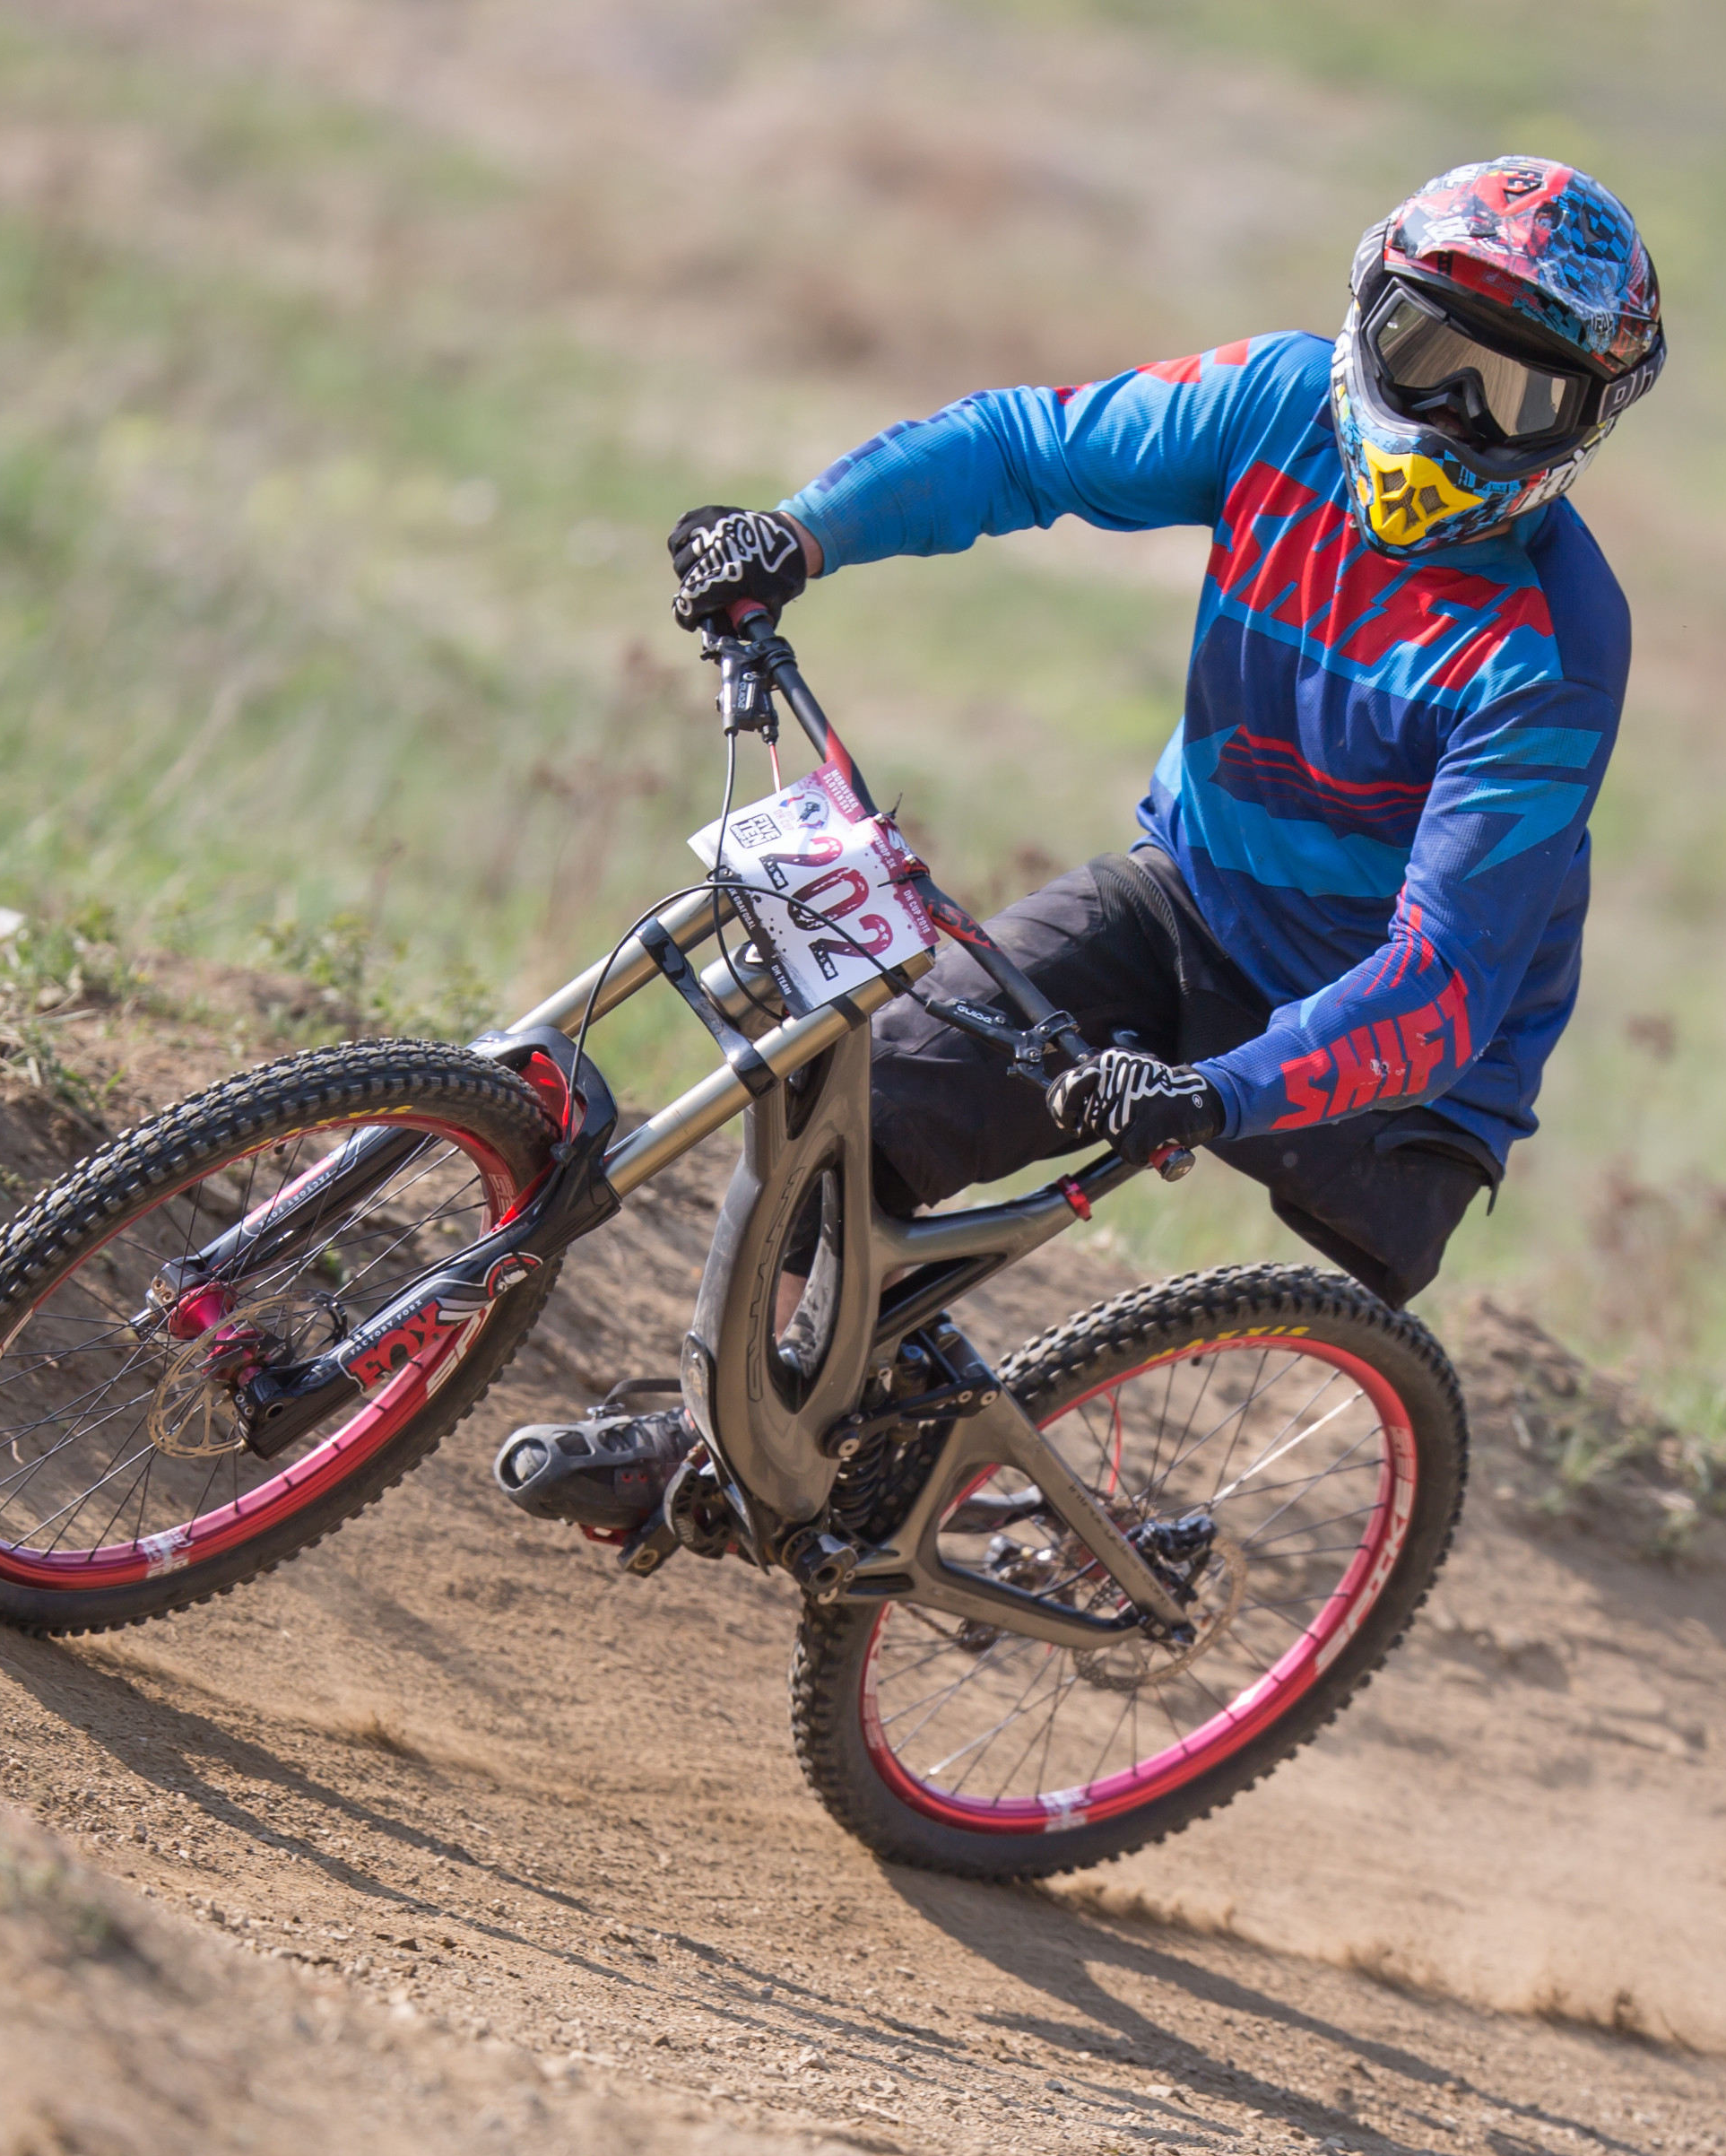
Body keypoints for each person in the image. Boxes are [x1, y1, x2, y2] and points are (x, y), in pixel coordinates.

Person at [494, 156, 1665, 1541]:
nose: (1456, 416)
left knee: (975, 1129)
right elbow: (1022, 450)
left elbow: (1443, 982)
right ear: (1366, 315)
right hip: (1190, 901)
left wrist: (1216, 1092)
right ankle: (804, 1442)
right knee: (854, 1119)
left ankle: (829, 1448)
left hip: (1399, 1073)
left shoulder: (1553, 651)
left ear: (1585, 428)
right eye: (1429, 354)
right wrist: (798, 537)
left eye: (1518, 396)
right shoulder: (1273, 402)